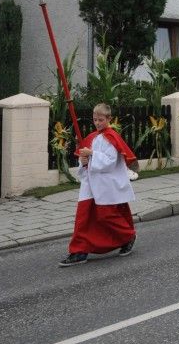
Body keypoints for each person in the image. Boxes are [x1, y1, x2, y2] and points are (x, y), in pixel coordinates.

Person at [59, 103, 138, 267]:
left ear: (109, 119)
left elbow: (109, 162)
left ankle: (127, 236)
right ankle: (79, 250)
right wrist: (83, 160)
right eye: (95, 120)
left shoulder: (112, 137)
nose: (97, 123)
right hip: (89, 183)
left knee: (106, 216)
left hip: (106, 185)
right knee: (83, 217)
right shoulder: (92, 138)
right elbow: (85, 161)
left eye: (101, 120)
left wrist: (92, 154)